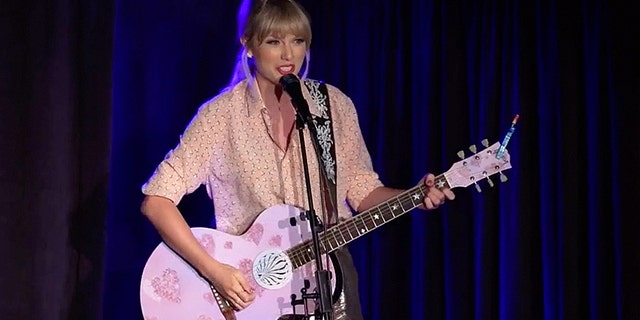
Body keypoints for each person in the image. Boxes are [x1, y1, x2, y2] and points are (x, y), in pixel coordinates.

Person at [140, 0, 455, 319]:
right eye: (274, 41)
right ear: (248, 44)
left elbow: (361, 191)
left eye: (297, 40)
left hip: (330, 281)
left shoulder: (332, 107)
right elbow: (157, 200)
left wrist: (414, 196)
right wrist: (214, 271)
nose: (288, 54)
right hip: (250, 292)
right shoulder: (221, 116)